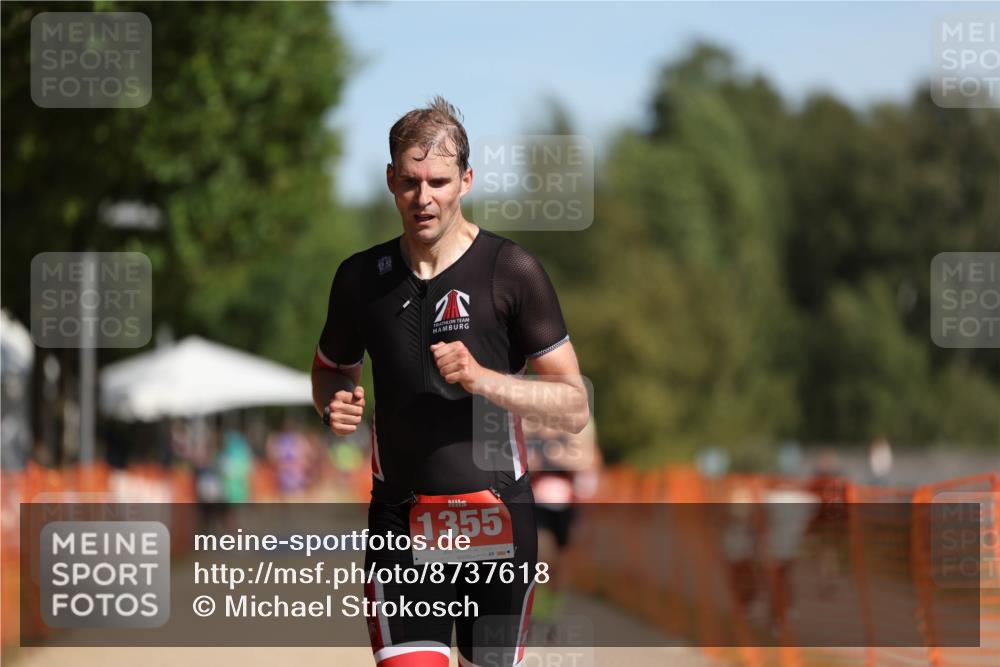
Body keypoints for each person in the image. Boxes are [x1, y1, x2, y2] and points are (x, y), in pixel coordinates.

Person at [312, 96, 588, 667]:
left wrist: (485, 378)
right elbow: (330, 368)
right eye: (410, 182)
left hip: (498, 520)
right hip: (401, 525)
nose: (424, 198)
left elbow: (572, 403)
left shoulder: (510, 271)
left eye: (438, 180)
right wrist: (333, 402)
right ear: (391, 180)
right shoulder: (361, 278)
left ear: (465, 180)